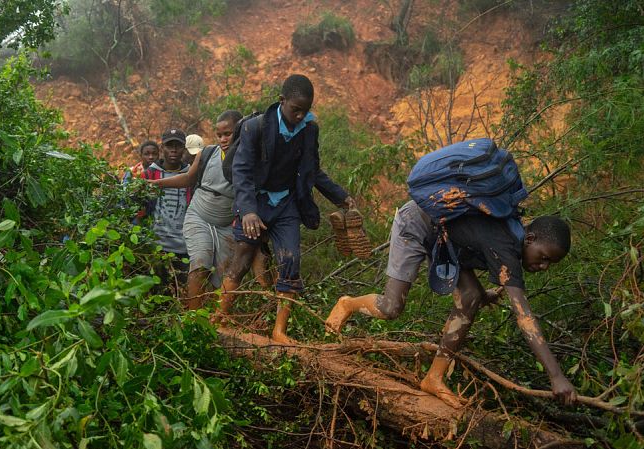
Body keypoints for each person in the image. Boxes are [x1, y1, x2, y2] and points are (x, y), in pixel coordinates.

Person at [325, 201, 577, 408]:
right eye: (543, 257)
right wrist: (556, 376)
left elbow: (470, 238)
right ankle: (347, 304)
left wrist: (480, 292)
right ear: (530, 238)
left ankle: (433, 378)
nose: (543, 266)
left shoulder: (510, 238)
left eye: (550, 264)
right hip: (418, 223)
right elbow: (525, 318)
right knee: (390, 307)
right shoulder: (507, 244)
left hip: (445, 238)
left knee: (472, 297)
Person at [220, 74, 355, 344]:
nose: (300, 115)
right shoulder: (255, 127)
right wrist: (247, 211)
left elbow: (312, 170)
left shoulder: (309, 129)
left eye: (305, 110)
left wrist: (341, 197)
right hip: (255, 202)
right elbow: (242, 170)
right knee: (243, 258)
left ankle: (279, 331)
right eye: (296, 109)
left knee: (291, 260)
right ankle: (219, 315)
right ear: (282, 101)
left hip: (286, 204)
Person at [149, 111, 274, 309]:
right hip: (199, 216)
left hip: (226, 225)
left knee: (223, 276)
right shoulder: (208, 153)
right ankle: (192, 318)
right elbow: (189, 178)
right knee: (200, 263)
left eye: (228, 133)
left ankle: (214, 319)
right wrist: (156, 183)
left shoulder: (252, 159)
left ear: (241, 131)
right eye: (219, 135)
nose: (223, 139)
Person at [141, 129, 192, 289]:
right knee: (158, 291)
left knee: (182, 289)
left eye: (178, 146)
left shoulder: (191, 174)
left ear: (184, 149)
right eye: (170, 146)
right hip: (157, 245)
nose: (174, 150)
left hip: (184, 246)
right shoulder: (150, 174)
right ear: (162, 148)